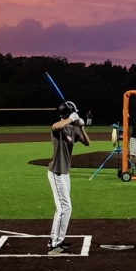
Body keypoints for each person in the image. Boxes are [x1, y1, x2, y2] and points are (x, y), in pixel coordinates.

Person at [47, 101, 89, 256]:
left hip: (65, 173)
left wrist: (81, 126)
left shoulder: (72, 128)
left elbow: (87, 143)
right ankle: (55, 244)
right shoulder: (59, 127)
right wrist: (71, 119)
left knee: (63, 208)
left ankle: (55, 239)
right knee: (65, 208)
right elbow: (55, 126)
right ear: (68, 113)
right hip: (56, 171)